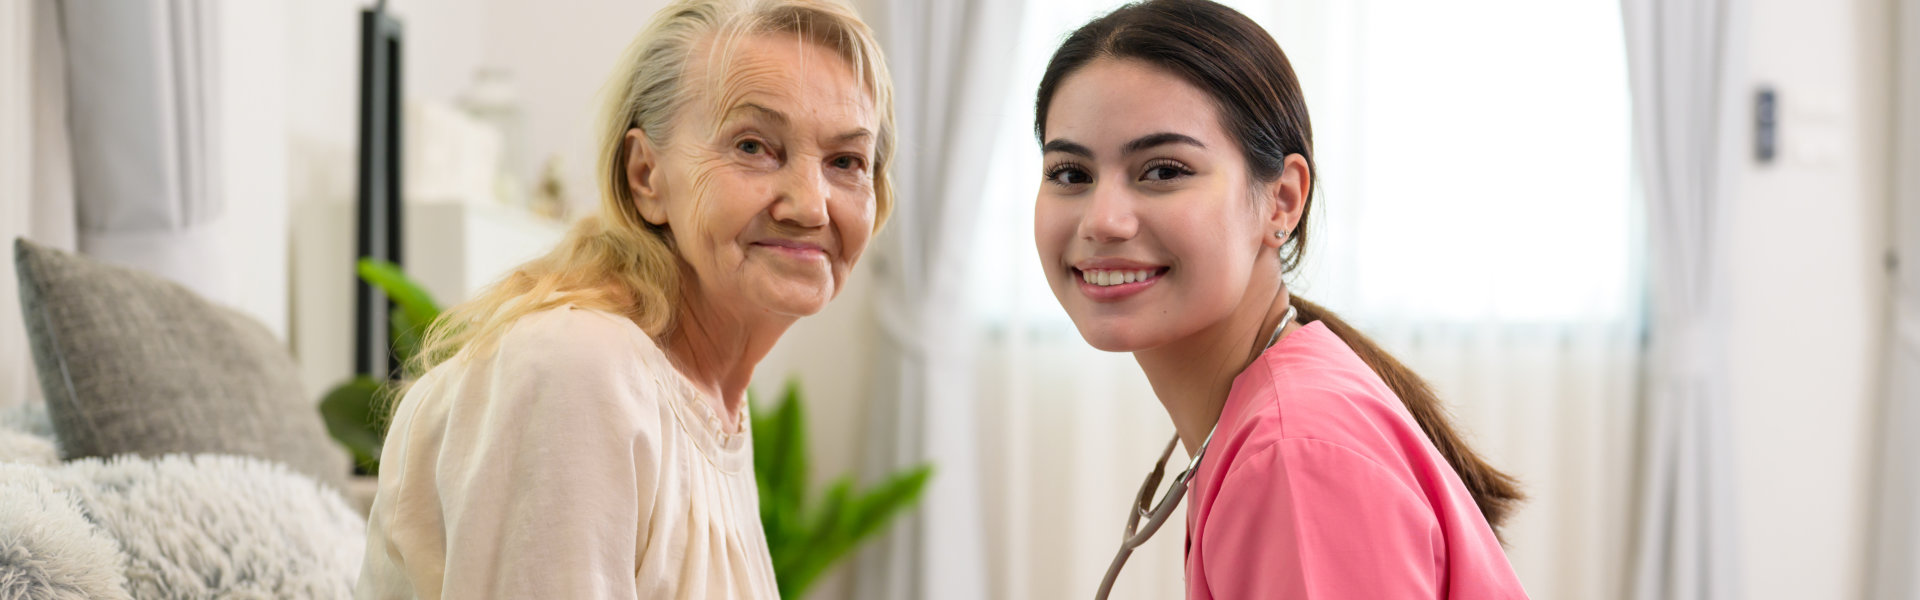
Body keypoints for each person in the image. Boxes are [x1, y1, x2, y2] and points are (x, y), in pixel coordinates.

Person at [354, 1, 894, 597]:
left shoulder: (709, 404)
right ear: (646, 176)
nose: (812, 205)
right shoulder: (579, 366)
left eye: (846, 161)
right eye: (752, 146)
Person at [1031, 1, 1528, 597]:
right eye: (1069, 174)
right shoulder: (1271, 418)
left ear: (1282, 201)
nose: (1103, 220)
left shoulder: (1293, 456)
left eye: (1163, 171)